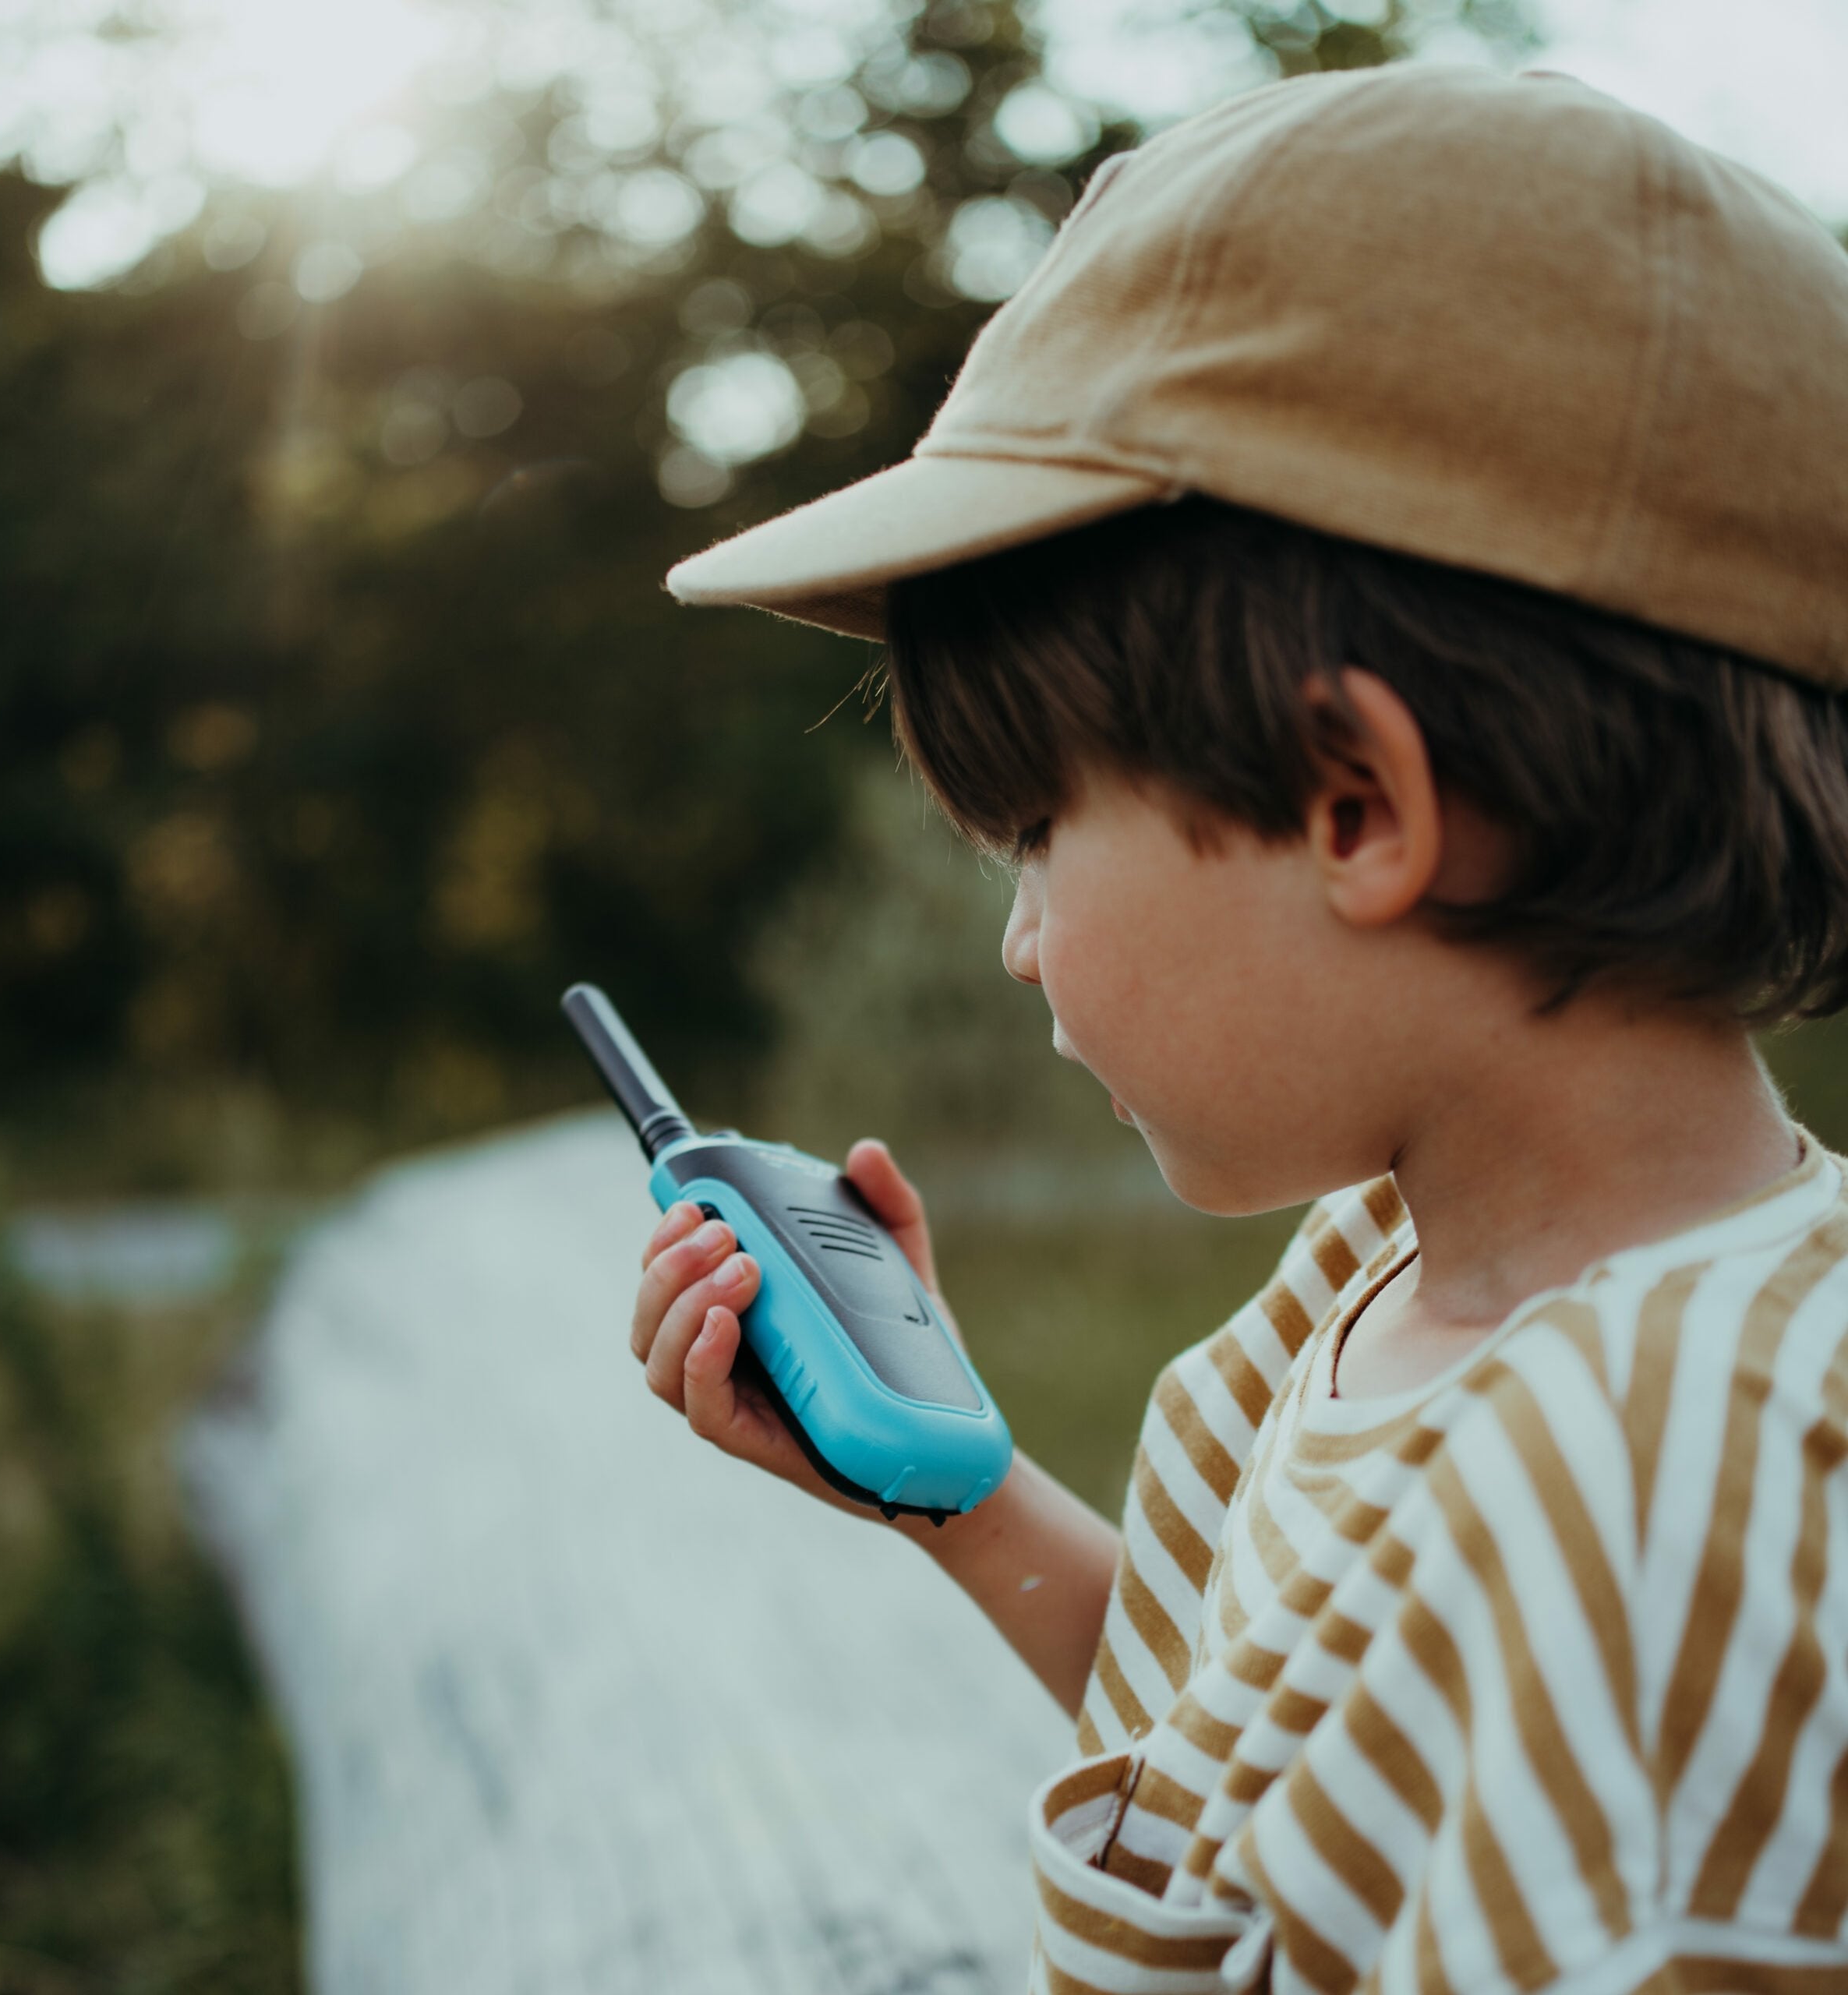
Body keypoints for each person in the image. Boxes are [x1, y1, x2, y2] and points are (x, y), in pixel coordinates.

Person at [631, 62, 1848, 1993]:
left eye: (1035, 835)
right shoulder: (1369, 1275)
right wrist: (955, 1498)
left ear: (1351, 804)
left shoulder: (1676, 1498)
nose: (1019, 942)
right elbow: (1258, 1785)